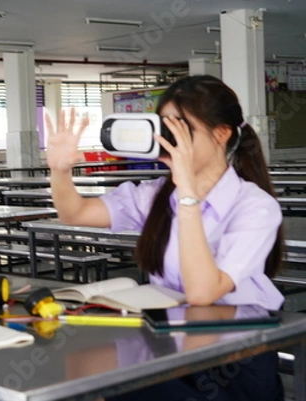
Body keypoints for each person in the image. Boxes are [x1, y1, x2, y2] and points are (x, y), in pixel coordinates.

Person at [46, 75, 284, 401]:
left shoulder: (256, 207)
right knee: (79, 366)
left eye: (183, 129)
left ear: (221, 133)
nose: (170, 139)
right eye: (166, 127)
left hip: (235, 354)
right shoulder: (156, 194)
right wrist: (59, 171)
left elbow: (203, 293)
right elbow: (75, 213)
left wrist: (187, 193)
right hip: (169, 338)